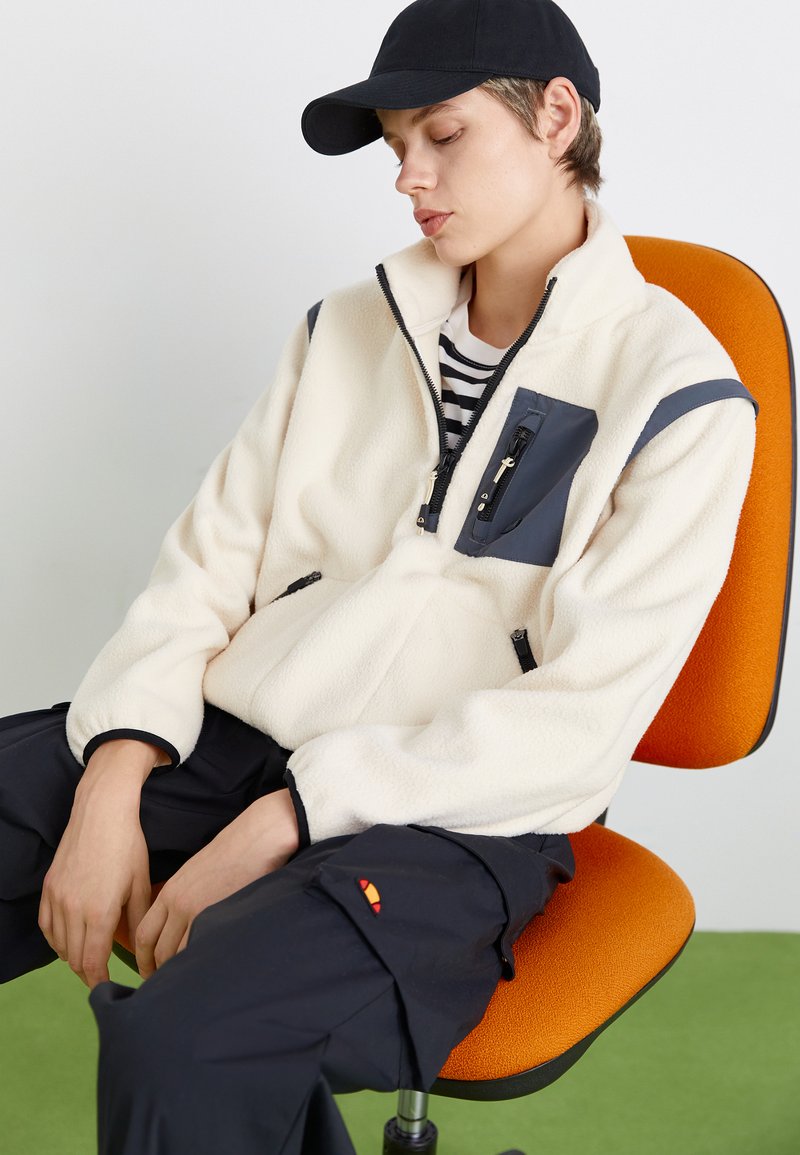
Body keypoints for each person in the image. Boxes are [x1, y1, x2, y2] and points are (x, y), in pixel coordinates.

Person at [0, 0, 758, 1151]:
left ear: (556, 118)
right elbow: (204, 567)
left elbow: (580, 722)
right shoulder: (344, 328)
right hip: (236, 734)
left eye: (442, 134)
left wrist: (289, 818)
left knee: (187, 1043)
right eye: (398, 145)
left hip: (456, 810)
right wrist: (114, 777)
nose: (408, 176)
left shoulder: (677, 393)